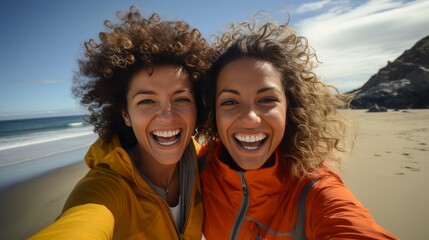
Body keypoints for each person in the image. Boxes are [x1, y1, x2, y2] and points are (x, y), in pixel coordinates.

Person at [196, 18, 399, 239]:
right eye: (229, 102)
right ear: (212, 111)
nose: (250, 118)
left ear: (289, 108)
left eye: (266, 99)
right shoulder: (200, 166)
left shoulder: (313, 190)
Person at [30, 6, 214, 240]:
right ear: (125, 114)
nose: (167, 116)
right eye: (146, 101)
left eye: (181, 98)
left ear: (197, 106)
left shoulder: (204, 163)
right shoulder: (107, 187)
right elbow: (80, 224)